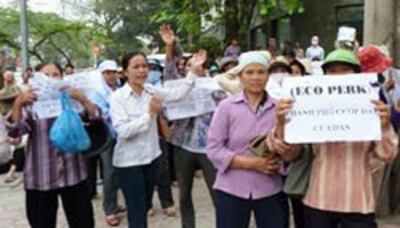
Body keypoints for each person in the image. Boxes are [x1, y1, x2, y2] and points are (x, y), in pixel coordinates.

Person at [274, 49, 398, 228]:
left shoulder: (371, 106)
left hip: (357, 202)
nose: (338, 75)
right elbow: (289, 153)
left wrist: (385, 126)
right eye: (332, 71)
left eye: (344, 70)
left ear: (357, 75)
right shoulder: (308, 104)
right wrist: (282, 122)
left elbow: (387, 154)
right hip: (318, 200)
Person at [110, 47, 204, 228]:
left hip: (151, 158)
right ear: (125, 71)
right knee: (136, 210)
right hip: (129, 163)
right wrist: (149, 114)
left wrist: (193, 72)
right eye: (136, 67)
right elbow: (124, 131)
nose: (142, 71)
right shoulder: (118, 98)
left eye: (144, 66)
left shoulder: (150, 90)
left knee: (144, 206)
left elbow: (176, 95)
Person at [207, 51, 299, 228]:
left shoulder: (280, 108)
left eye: (261, 72)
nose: (255, 77)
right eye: (249, 72)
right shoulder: (227, 108)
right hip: (231, 188)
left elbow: (290, 152)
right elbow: (214, 149)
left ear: (268, 76)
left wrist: (281, 127)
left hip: (270, 188)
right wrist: (252, 164)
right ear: (240, 76)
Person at [9, 63, 97, 228]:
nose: (51, 79)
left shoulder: (73, 99)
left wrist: (83, 99)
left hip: (74, 174)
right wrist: (18, 104)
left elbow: (96, 119)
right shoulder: (30, 102)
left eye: (55, 74)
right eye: (46, 75)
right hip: (41, 175)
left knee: (83, 222)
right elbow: (16, 132)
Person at [160, 24, 224, 228]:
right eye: (187, 66)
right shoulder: (178, 87)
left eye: (195, 66)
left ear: (204, 67)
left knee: (218, 192)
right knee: (184, 194)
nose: (190, 69)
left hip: (210, 148)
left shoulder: (214, 86)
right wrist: (170, 46)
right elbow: (170, 72)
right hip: (183, 146)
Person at [91, 59, 124, 226]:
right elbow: (102, 115)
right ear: (102, 74)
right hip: (107, 138)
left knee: (120, 173)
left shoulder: (121, 89)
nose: (111, 76)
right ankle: (110, 210)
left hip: (123, 137)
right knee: (110, 174)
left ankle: (114, 204)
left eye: (114, 72)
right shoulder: (97, 93)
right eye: (108, 73)